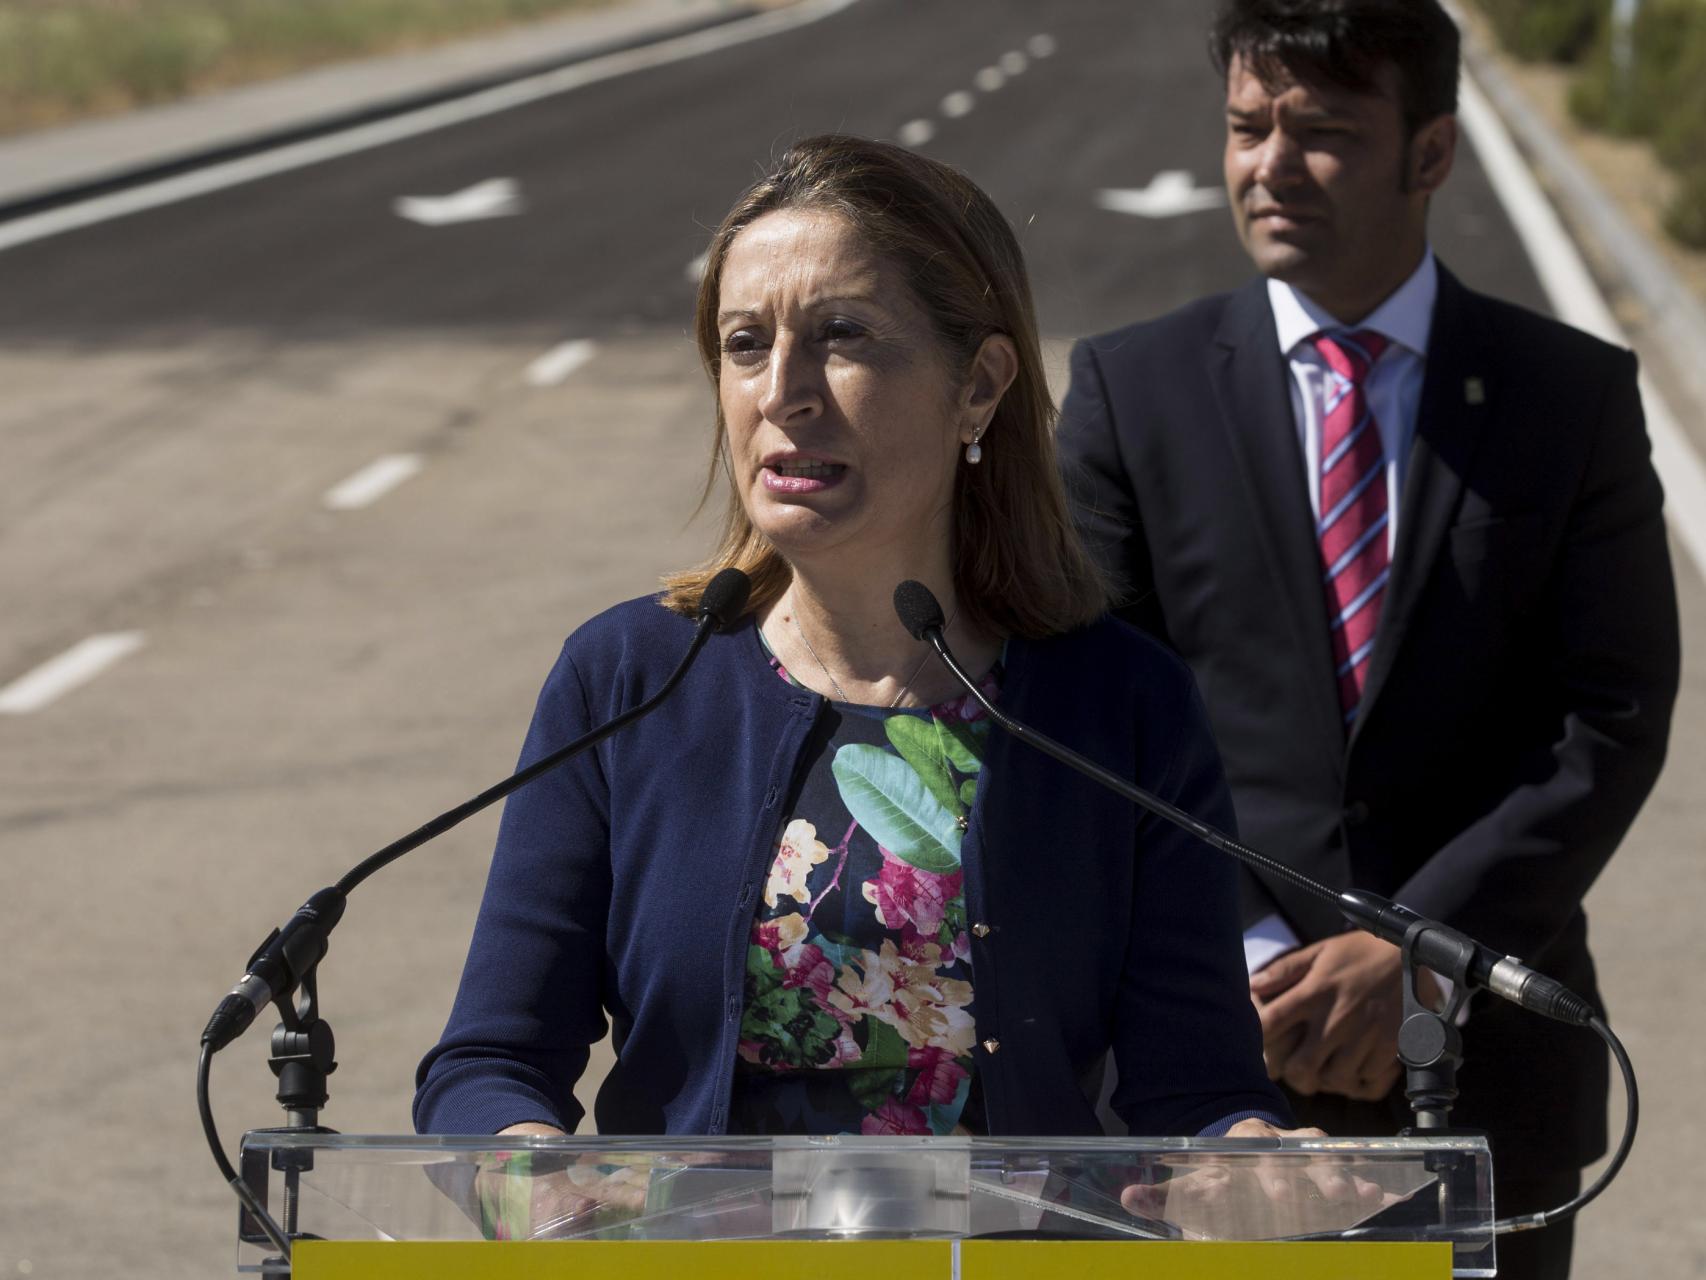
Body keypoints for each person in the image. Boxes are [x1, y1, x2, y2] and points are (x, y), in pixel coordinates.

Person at [414, 136, 1291, 1155]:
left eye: (841, 335)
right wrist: (535, 1169)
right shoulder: (626, 681)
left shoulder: (1120, 703)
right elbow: (489, 1064)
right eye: (746, 343)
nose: (780, 391)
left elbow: (1197, 1088)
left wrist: (1257, 1158)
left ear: (979, 385)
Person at [1056, 3, 1680, 1277]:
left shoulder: (1567, 395)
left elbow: (1608, 716)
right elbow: (1092, 712)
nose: (1269, 166)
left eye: (1324, 133)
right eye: (1246, 127)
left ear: (1430, 151)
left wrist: (1420, 950)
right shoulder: (1132, 391)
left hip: (1492, 1072)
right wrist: (1249, 964)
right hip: (1211, 1067)